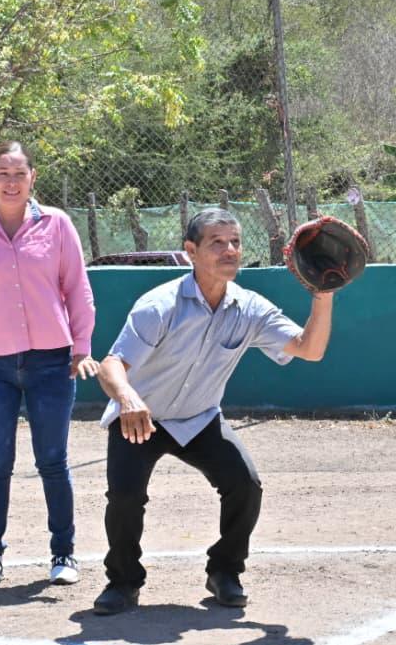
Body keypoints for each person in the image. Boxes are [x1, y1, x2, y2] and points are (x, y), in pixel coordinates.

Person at [92, 208, 334, 614]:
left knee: (246, 485)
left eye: (235, 242)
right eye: (217, 243)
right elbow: (111, 365)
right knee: (125, 496)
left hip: (200, 418)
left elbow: (310, 349)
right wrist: (129, 399)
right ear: (191, 251)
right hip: (141, 417)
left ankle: (224, 571)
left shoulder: (251, 308)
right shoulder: (160, 305)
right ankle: (123, 582)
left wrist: (323, 297)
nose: (229, 250)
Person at [0, 141, 98, 589]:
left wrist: (81, 346)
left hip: (52, 362)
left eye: (19, 173)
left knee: (53, 460)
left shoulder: (58, 225)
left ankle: (63, 553)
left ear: (33, 178)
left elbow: (77, 289)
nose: (10, 182)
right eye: (1, 173)